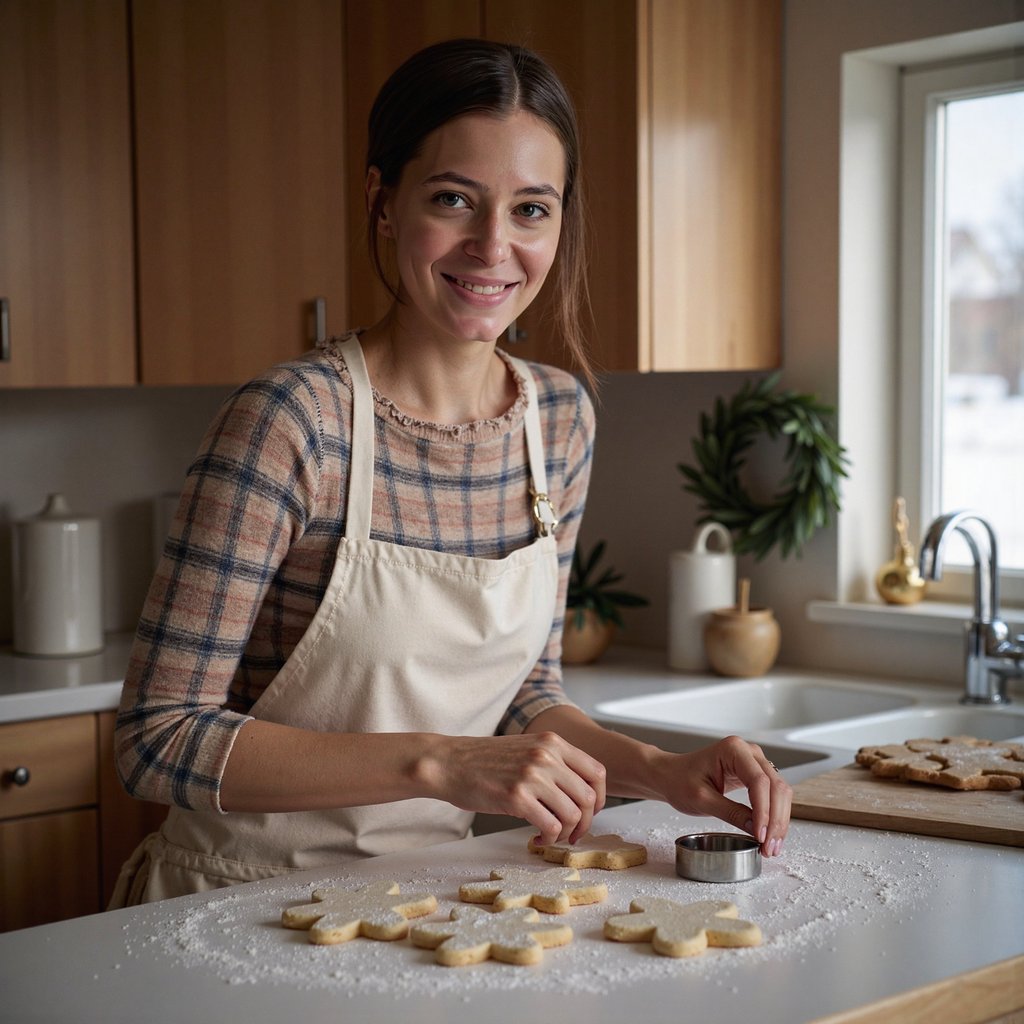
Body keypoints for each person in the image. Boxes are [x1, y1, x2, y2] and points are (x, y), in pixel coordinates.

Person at [110, 38, 790, 906]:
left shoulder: (559, 419)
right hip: (235, 899)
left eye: (531, 210)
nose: (492, 246)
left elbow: (526, 694)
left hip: (422, 901)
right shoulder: (293, 422)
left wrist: (661, 772)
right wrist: (440, 763)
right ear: (383, 202)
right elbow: (155, 739)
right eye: (452, 199)